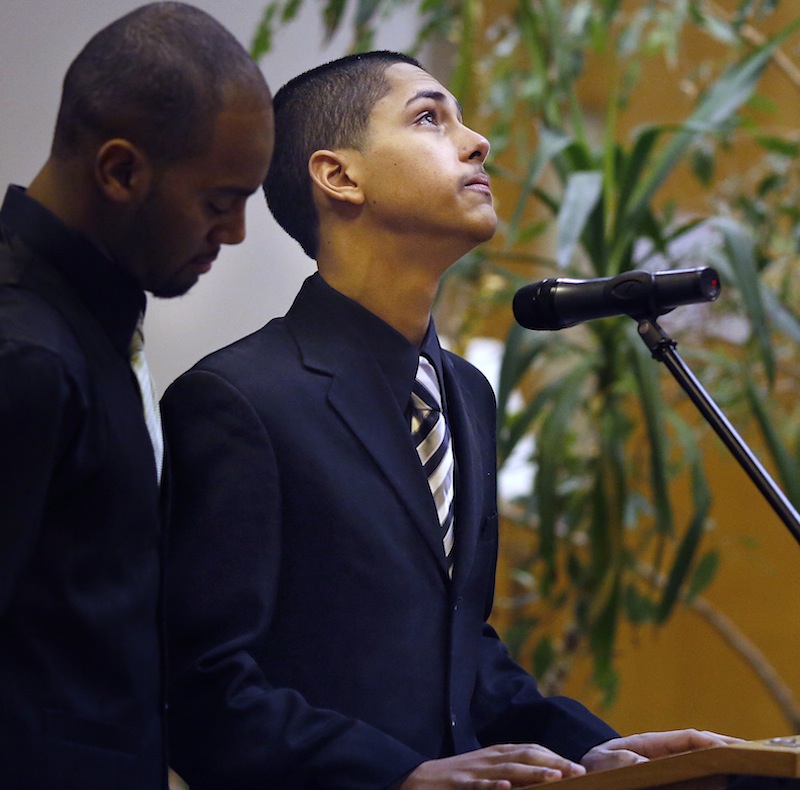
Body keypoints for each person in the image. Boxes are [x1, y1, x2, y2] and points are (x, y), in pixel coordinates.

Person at [161, 51, 737, 789]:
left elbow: (463, 656)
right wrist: (400, 775)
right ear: (339, 176)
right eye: (431, 118)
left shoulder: (466, 392)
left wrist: (595, 751)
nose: (478, 142)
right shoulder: (239, 399)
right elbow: (202, 691)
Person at [0, 3, 274, 787]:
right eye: (219, 202)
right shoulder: (27, 356)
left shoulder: (92, 324)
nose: (236, 233)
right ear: (120, 172)